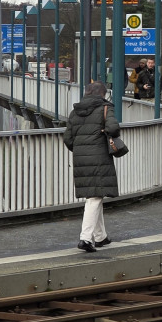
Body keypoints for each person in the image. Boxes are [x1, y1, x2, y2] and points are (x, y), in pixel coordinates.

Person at [62, 82, 119, 253]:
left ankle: (100, 237)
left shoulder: (75, 111)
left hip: (80, 157)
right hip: (99, 156)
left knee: (96, 194)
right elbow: (113, 128)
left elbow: (67, 138)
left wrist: (80, 149)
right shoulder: (105, 108)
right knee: (94, 197)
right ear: (102, 94)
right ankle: (85, 238)